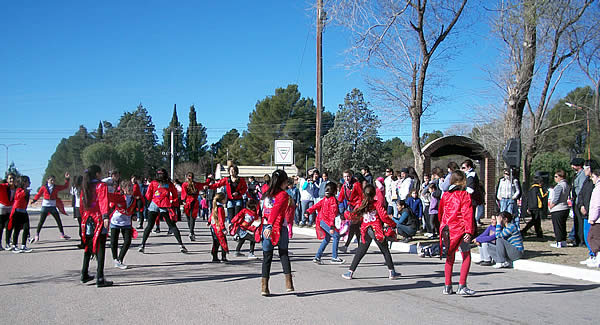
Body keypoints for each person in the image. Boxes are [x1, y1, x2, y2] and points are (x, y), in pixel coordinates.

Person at [341, 184, 400, 280]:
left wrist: (346, 215)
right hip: (376, 230)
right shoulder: (377, 204)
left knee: (360, 251)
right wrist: (393, 224)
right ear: (374, 194)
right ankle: (392, 272)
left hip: (365, 230)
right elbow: (384, 216)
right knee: (385, 251)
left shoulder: (361, 204)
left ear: (364, 194)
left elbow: (353, 215)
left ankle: (350, 272)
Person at [438, 170, 475, 296]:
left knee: (449, 256)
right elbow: (467, 214)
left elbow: (441, 212)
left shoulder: (445, 195)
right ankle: (462, 285)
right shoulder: (464, 195)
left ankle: (447, 286)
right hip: (460, 229)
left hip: (447, 229)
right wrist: (469, 231)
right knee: (466, 255)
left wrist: (442, 226)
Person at [260, 169, 295, 296]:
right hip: (277, 228)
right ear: (283, 182)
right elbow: (276, 210)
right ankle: (288, 283)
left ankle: (264, 286)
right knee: (283, 254)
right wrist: (269, 225)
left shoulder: (265, 194)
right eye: (286, 182)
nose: (287, 184)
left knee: (267, 257)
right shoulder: (283, 195)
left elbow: (263, 210)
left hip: (266, 227)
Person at [138, 168, 188, 254]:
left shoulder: (153, 183)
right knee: (172, 225)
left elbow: (148, 195)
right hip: (165, 204)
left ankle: (142, 245)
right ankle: (181, 245)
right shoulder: (169, 184)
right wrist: (174, 203)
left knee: (149, 226)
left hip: (154, 204)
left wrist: (150, 201)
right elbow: (175, 194)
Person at [79, 165, 112, 287]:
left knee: (88, 246)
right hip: (98, 219)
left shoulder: (85, 186)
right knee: (100, 248)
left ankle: (84, 273)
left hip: (87, 219)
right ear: (97, 174)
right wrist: (105, 216)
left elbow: (82, 204)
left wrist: (82, 218)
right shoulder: (101, 185)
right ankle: (100, 277)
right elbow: (103, 201)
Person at [306, 182, 344, 265]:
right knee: (336, 236)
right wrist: (331, 226)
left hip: (321, 221)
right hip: (327, 222)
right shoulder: (333, 200)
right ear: (334, 191)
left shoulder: (324, 199)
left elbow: (316, 205)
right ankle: (334, 257)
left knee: (327, 239)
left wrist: (308, 211)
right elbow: (332, 214)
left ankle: (317, 257)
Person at [30, 172, 71, 243]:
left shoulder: (56, 187)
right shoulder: (43, 187)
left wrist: (67, 179)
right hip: (45, 206)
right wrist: (34, 200)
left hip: (53, 206)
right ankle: (37, 235)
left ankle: (62, 234)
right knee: (41, 221)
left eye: (54, 180)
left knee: (58, 220)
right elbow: (39, 194)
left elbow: (65, 186)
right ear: (47, 180)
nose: (53, 182)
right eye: (51, 180)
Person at [109, 180, 137, 270]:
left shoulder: (133, 198)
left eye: (131, 187)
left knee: (127, 241)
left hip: (126, 222)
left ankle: (120, 259)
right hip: (116, 221)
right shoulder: (118, 196)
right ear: (123, 189)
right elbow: (111, 205)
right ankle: (115, 259)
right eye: (128, 187)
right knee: (114, 241)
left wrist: (134, 215)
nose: (130, 189)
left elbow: (133, 209)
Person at [577, 160, 598, 265]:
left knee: (593, 236)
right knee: (587, 235)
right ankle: (591, 254)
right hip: (585, 213)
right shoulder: (586, 181)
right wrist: (581, 205)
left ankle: (595, 255)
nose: (585, 170)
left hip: (594, 214)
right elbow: (580, 194)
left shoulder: (596, 184)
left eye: (586, 168)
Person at [338, 169, 364, 253]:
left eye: (348, 176)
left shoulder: (356, 185)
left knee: (353, 226)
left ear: (351, 176)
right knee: (355, 228)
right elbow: (340, 198)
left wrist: (359, 208)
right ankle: (360, 246)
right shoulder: (344, 186)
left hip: (357, 207)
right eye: (345, 176)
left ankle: (346, 246)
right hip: (351, 207)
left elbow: (361, 196)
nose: (347, 178)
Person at [7, 175, 33, 253]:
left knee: (26, 228)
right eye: (28, 182)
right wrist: (25, 192)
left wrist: (26, 192)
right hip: (17, 212)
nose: (30, 183)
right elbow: (17, 197)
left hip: (24, 212)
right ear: (24, 182)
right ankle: (14, 246)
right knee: (17, 229)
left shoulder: (26, 191)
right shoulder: (19, 190)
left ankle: (23, 246)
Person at [182, 172, 208, 241]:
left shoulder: (185, 184)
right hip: (194, 201)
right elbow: (204, 184)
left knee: (188, 218)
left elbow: (183, 193)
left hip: (187, 202)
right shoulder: (196, 184)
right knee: (192, 217)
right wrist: (209, 179)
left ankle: (191, 231)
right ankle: (191, 232)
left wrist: (183, 201)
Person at [549, 169, 571, 248]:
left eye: (556, 176)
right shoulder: (567, 185)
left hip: (558, 208)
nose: (555, 178)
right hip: (565, 207)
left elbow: (556, 198)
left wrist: (551, 205)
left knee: (557, 226)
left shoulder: (559, 186)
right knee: (563, 226)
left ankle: (559, 241)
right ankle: (563, 241)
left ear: (560, 177)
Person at [461, 159, 484, 228]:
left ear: (469, 167)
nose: (462, 169)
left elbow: (470, 190)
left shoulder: (471, 176)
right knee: (471, 217)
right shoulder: (470, 175)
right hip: (472, 199)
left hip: (472, 200)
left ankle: (472, 232)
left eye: (464, 168)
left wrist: (463, 193)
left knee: (471, 217)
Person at [585, 167, 600, 267]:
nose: (592, 179)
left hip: (597, 219)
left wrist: (592, 218)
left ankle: (597, 257)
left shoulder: (598, 189)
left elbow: (596, 205)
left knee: (592, 238)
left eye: (593, 177)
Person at [570, 158, 586, 246]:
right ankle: (576, 239)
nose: (572, 167)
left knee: (580, 222)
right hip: (575, 200)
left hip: (579, 201)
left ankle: (581, 240)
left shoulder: (582, 175)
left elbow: (581, 189)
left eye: (573, 165)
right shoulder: (577, 175)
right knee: (576, 221)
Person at [209, 192, 229, 262]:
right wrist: (223, 228)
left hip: (213, 226)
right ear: (222, 200)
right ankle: (223, 257)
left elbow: (211, 215)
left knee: (216, 242)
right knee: (223, 242)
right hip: (218, 227)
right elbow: (221, 219)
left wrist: (209, 222)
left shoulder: (215, 206)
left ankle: (214, 256)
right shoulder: (220, 208)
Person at [0, 173, 16, 250]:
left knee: (9, 226)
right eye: (10, 178)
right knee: (1, 226)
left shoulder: (16, 188)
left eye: (13, 178)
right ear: (7, 180)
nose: (11, 180)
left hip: (10, 208)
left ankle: (7, 243)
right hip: (2, 207)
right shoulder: (3, 186)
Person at [71, 176, 85, 248]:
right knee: (84, 225)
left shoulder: (74, 188)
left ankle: (83, 241)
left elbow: (73, 198)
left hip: (77, 208)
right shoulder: (84, 187)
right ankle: (84, 241)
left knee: (81, 225)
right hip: (83, 207)